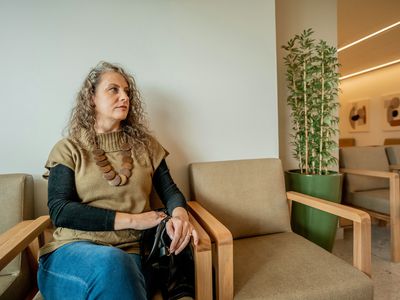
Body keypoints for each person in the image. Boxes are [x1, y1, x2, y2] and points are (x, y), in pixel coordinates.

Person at [37, 61, 198, 300]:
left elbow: (171, 191)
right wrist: (134, 219)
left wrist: (180, 216)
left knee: (120, 266)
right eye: (114, 89)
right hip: (71, 252)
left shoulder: (146, 147)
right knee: (112, 263)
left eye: (127, 92)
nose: (124, 97)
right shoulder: (68, 148)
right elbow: (60, 211)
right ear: (91, 97)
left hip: (133, 254)